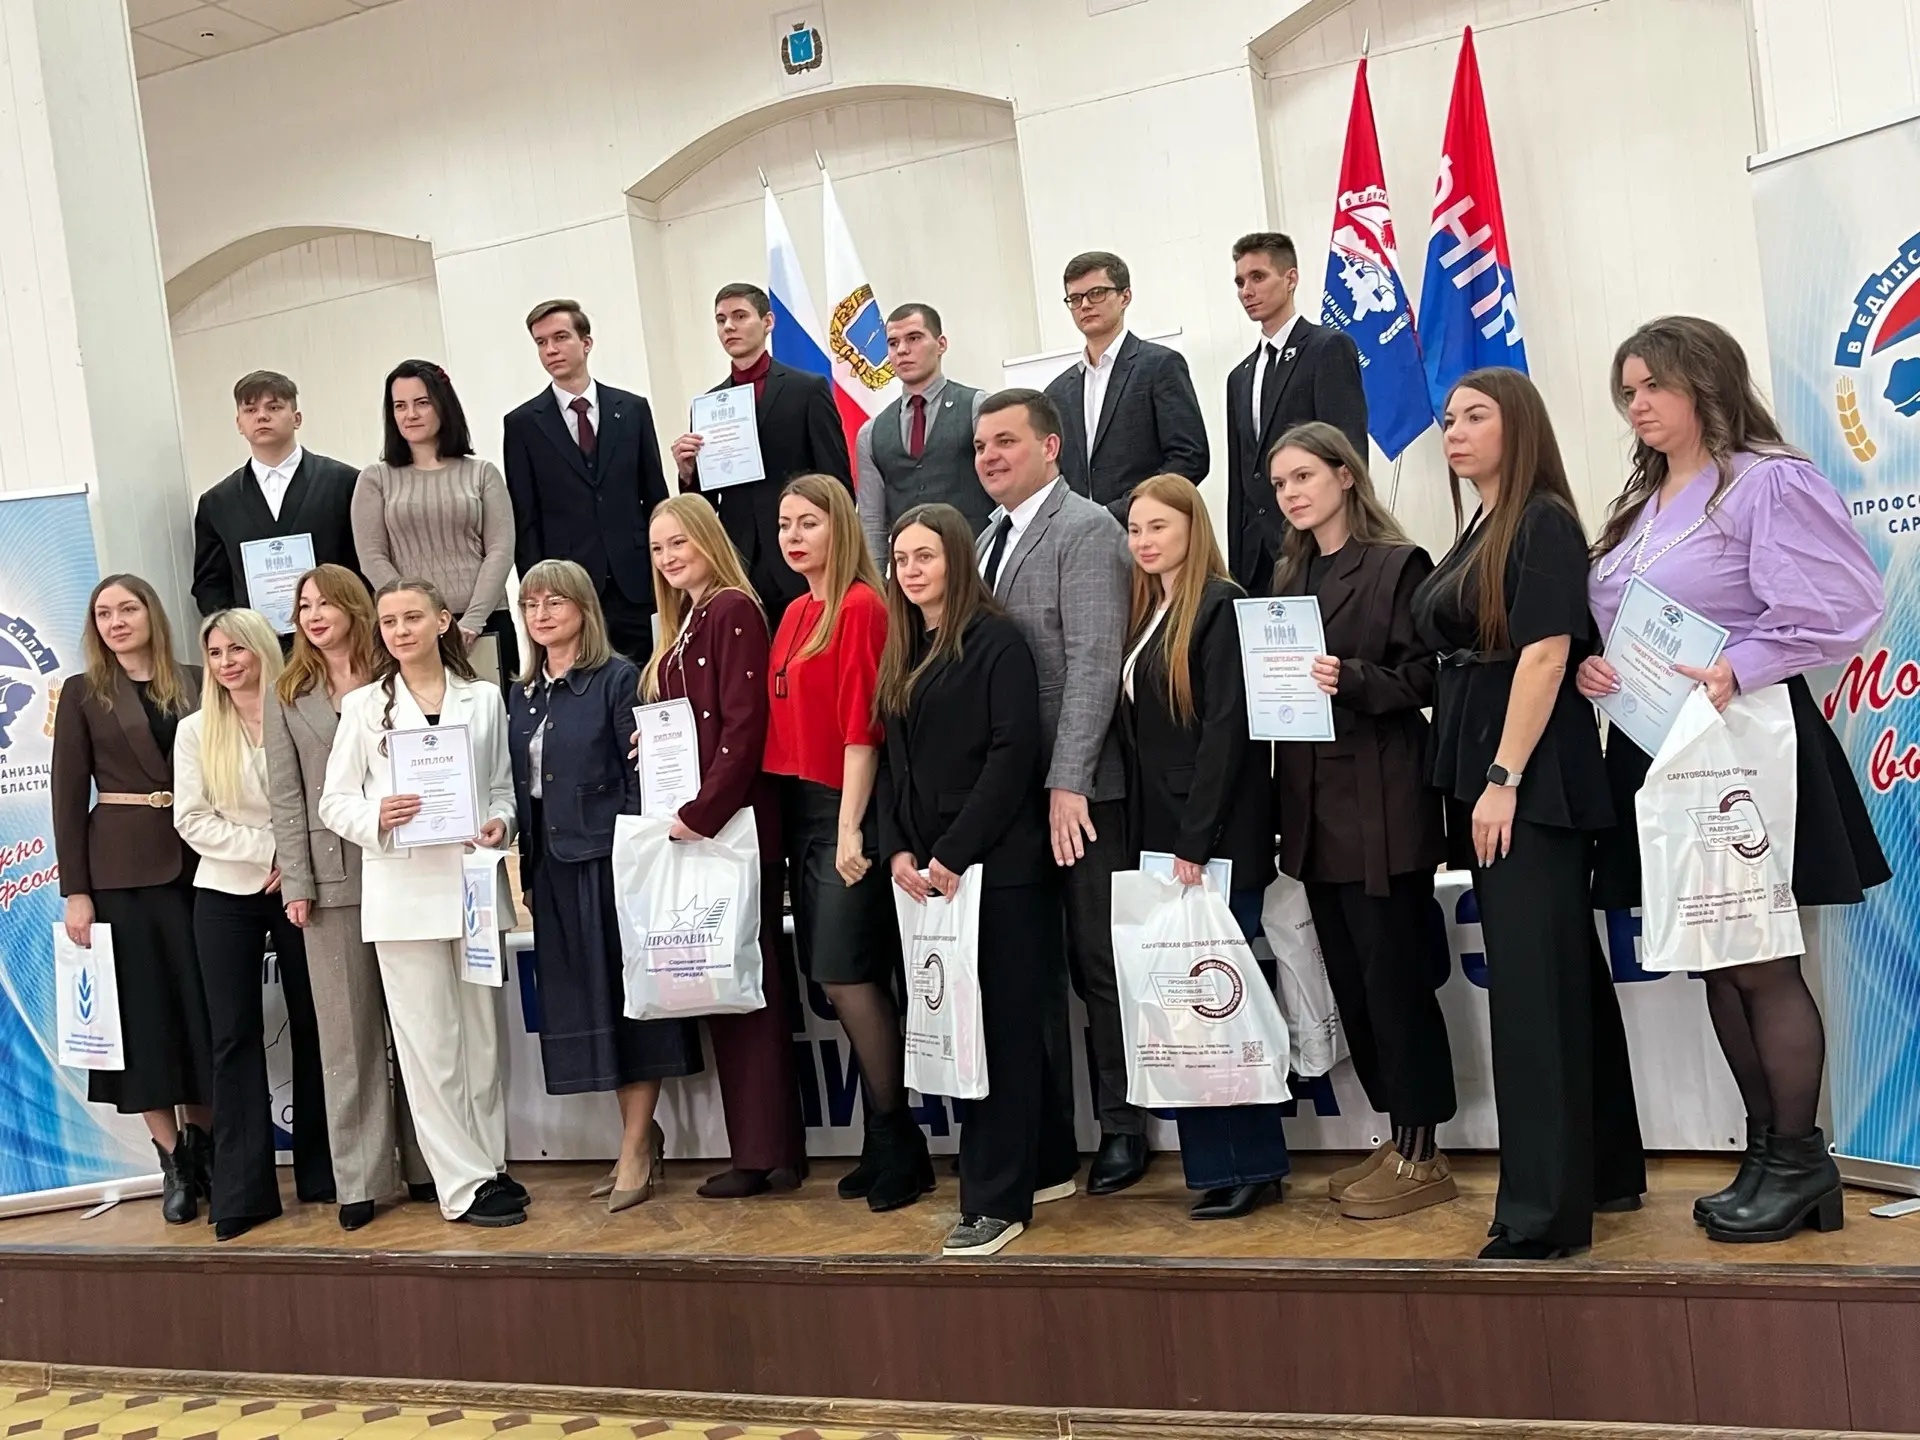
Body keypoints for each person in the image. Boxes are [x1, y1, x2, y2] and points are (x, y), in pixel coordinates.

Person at [1580, 316, 1887, 1244]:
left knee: (1759, 956)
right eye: (1627, 391)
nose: (1637, 404)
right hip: (1662, 748)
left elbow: (1844, 604)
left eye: (1654, 386)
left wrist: (1738, 666)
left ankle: (1799, 1160)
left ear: (1706, 382)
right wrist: (1604, 668)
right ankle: (1766, 1154)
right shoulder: (1642, 504)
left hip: (1744, 742)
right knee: (1715, 955)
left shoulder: (1765, 481)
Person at [1410, 367, 1645, 1260]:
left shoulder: (1540, 519)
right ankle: (1606, 1169)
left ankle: (1543, 1215)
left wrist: (1503, 777)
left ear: (1520, 425)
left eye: (1476, 416)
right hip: (1497, 771)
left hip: (1528, 783)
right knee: (1563, 977)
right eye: (1449, 418)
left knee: (1533, 997)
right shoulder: (1484, 523)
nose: (1455, 431)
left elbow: (1546, 657)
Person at [1267, 423, 1458, 1220]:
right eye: (1281, 484)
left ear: (1346, 475)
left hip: (1382, 805)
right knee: (1353, 982)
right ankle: (1399, 1135)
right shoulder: (1288, 574)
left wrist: (1352, 679)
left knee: (1394, 982)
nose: (1292, 494)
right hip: (1315, 809)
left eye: (1304, 476)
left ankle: (1424, 1151)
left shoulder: (1397, 564)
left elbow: (1427, 678)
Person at [318, 577, 524, 1227]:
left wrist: (499, 823)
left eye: (412, 617)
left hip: (473, 886)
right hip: (403, 894)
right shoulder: (363, 707)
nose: (400, 630)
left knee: (482, 1040)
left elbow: (502, 789)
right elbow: (333, 802)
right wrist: (378, 815)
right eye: (389, 622)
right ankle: (461, 1184)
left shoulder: (483, 698)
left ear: (442, 621)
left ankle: (490, 1164)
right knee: (429, 1044)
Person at [878, 503, 1052, 1256]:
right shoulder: (904, 645)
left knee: (998, 1038)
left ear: (957, 557)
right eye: (901, 560)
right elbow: (893, 761)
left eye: (925, 556)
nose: (911, 571)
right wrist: (895, 848)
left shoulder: (996, 640)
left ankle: (994, 1203)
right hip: (928, 874)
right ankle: (1041, 1166)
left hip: (996, 870)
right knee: (973, 1033)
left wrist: (954, 851)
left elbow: (1013, 755)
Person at [974, 388, 1136, 1195]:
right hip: (1010, 797)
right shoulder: (983, 540)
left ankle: (1125, 1127)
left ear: (1050, 447)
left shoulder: (1088, 528)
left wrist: (1069, 779)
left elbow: (1095, 662)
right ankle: (1052, 1138)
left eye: (1005, 441)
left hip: (1081, 792)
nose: (990, 457)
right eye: (980, 446)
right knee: (1034, 972)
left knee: (1097, 962)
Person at [1119, 475, 1286, 1220]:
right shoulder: (1149, 612)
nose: (1144, 541)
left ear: (1193, 525)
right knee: (1185, 1008)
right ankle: (1214, 1166)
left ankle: (1255, 1163)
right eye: (1135, 529)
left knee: (1225, 1004)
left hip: (1211, 842)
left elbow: (1227, 732)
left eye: (1158, 526)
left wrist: (1195, 839)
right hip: (1165, 845)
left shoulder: (1220, 604)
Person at [509, 559, 699, 1211]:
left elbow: (644, 777)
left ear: (584, 608)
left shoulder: (618, 679)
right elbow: (522, 788)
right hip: (551, 869)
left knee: (628, 1006)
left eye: (554, 602)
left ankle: (637, 1146)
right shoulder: (522, 693)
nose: (541, 614)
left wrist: (635, 857)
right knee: (591, 1009)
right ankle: (637, 1138)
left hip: (609, 863)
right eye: (531, 604)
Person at [763, 473, 929, 1209]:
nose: (793, 536)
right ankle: (880, 1139)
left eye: (809, 522)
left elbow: (863, 729)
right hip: (803, 809)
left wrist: (849, 828)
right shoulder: (797, 611)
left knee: (849, 976)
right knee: (832, 980)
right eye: (784, 524)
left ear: (841, 526)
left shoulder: (863, 607)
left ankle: (900, 1139)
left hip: (847, 807)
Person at [641, 494, 807, 1197]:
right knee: (729, 984)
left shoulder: (733, 610)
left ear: (709, 538)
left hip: (732, 827)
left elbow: (744, 726)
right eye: (658, 548)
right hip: (705, 825)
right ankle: (766, 1148)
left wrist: (702, 811)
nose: (669, 557)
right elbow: (695, 727)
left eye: (679, 542)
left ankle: (766, 1153)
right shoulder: (684, 621)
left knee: (748, 990)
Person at [265, 564, 432, 1231]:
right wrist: (297, 882)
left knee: (414, 1026)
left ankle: (427, 1164)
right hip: (331, 882)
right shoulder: (288, 691)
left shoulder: (395, 672)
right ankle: (360, 1179)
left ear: (353, 608)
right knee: (347, 1039)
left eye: (325, 603)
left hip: (406, 866)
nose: (313, 616)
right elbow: (286, 795)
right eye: (303, 606)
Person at [52, 576, 211, 1224]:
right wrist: (76, 892)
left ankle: (205, 1146)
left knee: (202, 1012)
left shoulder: (198, 679)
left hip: (202, 864)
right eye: (103, 613)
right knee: (143, 1021)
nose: (116, 621)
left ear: (151, 613)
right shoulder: (82, 692)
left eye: (127, 608)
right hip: (120, 878)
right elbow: (67, 798)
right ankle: (172, 1159)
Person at [173, 607, 333, 1240]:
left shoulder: (301, 712)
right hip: (226, 889)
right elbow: (191, 818)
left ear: (263, 648)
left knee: (317, 1024)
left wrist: (293, 861)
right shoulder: (194, 730)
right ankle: (243, 1192)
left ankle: (326, 1173)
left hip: (302, 885)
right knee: (233, 1035)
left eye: (237, 649)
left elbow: (322, 800)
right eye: (215, 653)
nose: (226, 662)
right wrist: (271, 851)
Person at [672, 284, 852, 622]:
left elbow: (836, 482)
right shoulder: (708, 406)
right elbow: (706, 506)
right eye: (721, 320)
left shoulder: (807, 389)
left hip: (801, 556)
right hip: (739, 564)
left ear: (768, 322)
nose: (729, 327)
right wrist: (688, 473)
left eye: (740, 316)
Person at [503, 300, 668, 665]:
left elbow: (655, 497)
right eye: (541, 342)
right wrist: (538, 598)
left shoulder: (632, 409)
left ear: (586, 342)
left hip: (636, 582)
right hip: (568, 589)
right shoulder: (523, 425)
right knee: (582, 684)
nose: (551, 349)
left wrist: (665, 572)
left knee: (648, 680)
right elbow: (525, 519)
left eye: (560, 337)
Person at [352, 360, 518, 683]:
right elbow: (372, 557)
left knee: (491, 713)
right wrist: (416, 616)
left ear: (443, 405)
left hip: (483, 623)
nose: (410, 414)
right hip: (410, 631)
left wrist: (471, 622)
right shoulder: (375, 479)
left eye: (422, 403)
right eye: (400, 406)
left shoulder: (482, 473)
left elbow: (500, 550)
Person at [1224, 234, 1370, 593]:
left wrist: (1345, 544)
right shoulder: (1240, 376)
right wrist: (1237, 559)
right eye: (1240, 282)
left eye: (1258, 277)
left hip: (1316, 543)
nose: (1246, 291)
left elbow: (1347, 452)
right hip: (1256, 558)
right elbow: (1240, 478)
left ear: (1290, 279)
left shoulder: (1326, 348)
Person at [1043, 251, 1208, 514]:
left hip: (1145, 526)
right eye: (1075, 298)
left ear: (1125, 297)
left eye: (1096, 293)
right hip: (1078, 533)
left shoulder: (1159, 366)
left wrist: (1121, 511)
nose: (1085, 305)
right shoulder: (1057, 392)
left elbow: (1189, 458)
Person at [192, 370, 364, 620]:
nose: (262, 416)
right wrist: (238, 630)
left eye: (274, 407)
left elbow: (364, 562)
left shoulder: (346, 483)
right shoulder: (217, 502)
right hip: (258, 639)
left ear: (297, 418)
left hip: (339, 631)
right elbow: (210, 583)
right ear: (239, 423)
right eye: (250, 410)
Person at [855, 303, 993, 565]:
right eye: (893, 343)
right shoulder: (871, 432)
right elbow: (872, 522)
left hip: (975, 565)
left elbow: (1005, 494)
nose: (902, 350)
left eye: (914, 338)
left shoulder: (978, 408)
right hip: (910, 573)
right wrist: (877, 583)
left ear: (941, 344)